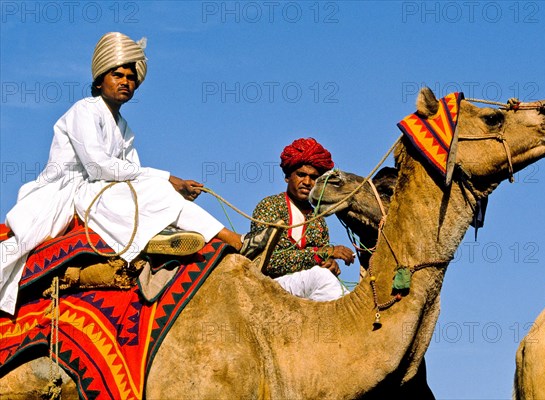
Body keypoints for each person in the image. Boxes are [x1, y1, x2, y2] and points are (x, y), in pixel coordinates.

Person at [0, 32, 273, 315]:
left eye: (130, 78)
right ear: (99, 80)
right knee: (155, 189)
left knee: (157, 192)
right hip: (75, 192)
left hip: (104, 187)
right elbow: (97, 165)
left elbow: (134, 174)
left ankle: (235, 241)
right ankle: (202, 238)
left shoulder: (124, 128)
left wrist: (170, 185)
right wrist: (166, 178)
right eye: (117, 75)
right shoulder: (85, 110)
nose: (125, 82)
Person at [250, 138, 355, 301]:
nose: (307, 182)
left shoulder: (318, 220)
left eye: (313, 178)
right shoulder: (269, 206)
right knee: (321, 277)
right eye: (301, 175)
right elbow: (265, 260)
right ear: (287, 177)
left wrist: (330, 263)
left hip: (306, 288)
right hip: (270, 284)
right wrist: (322, 254)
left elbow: (322, 259)